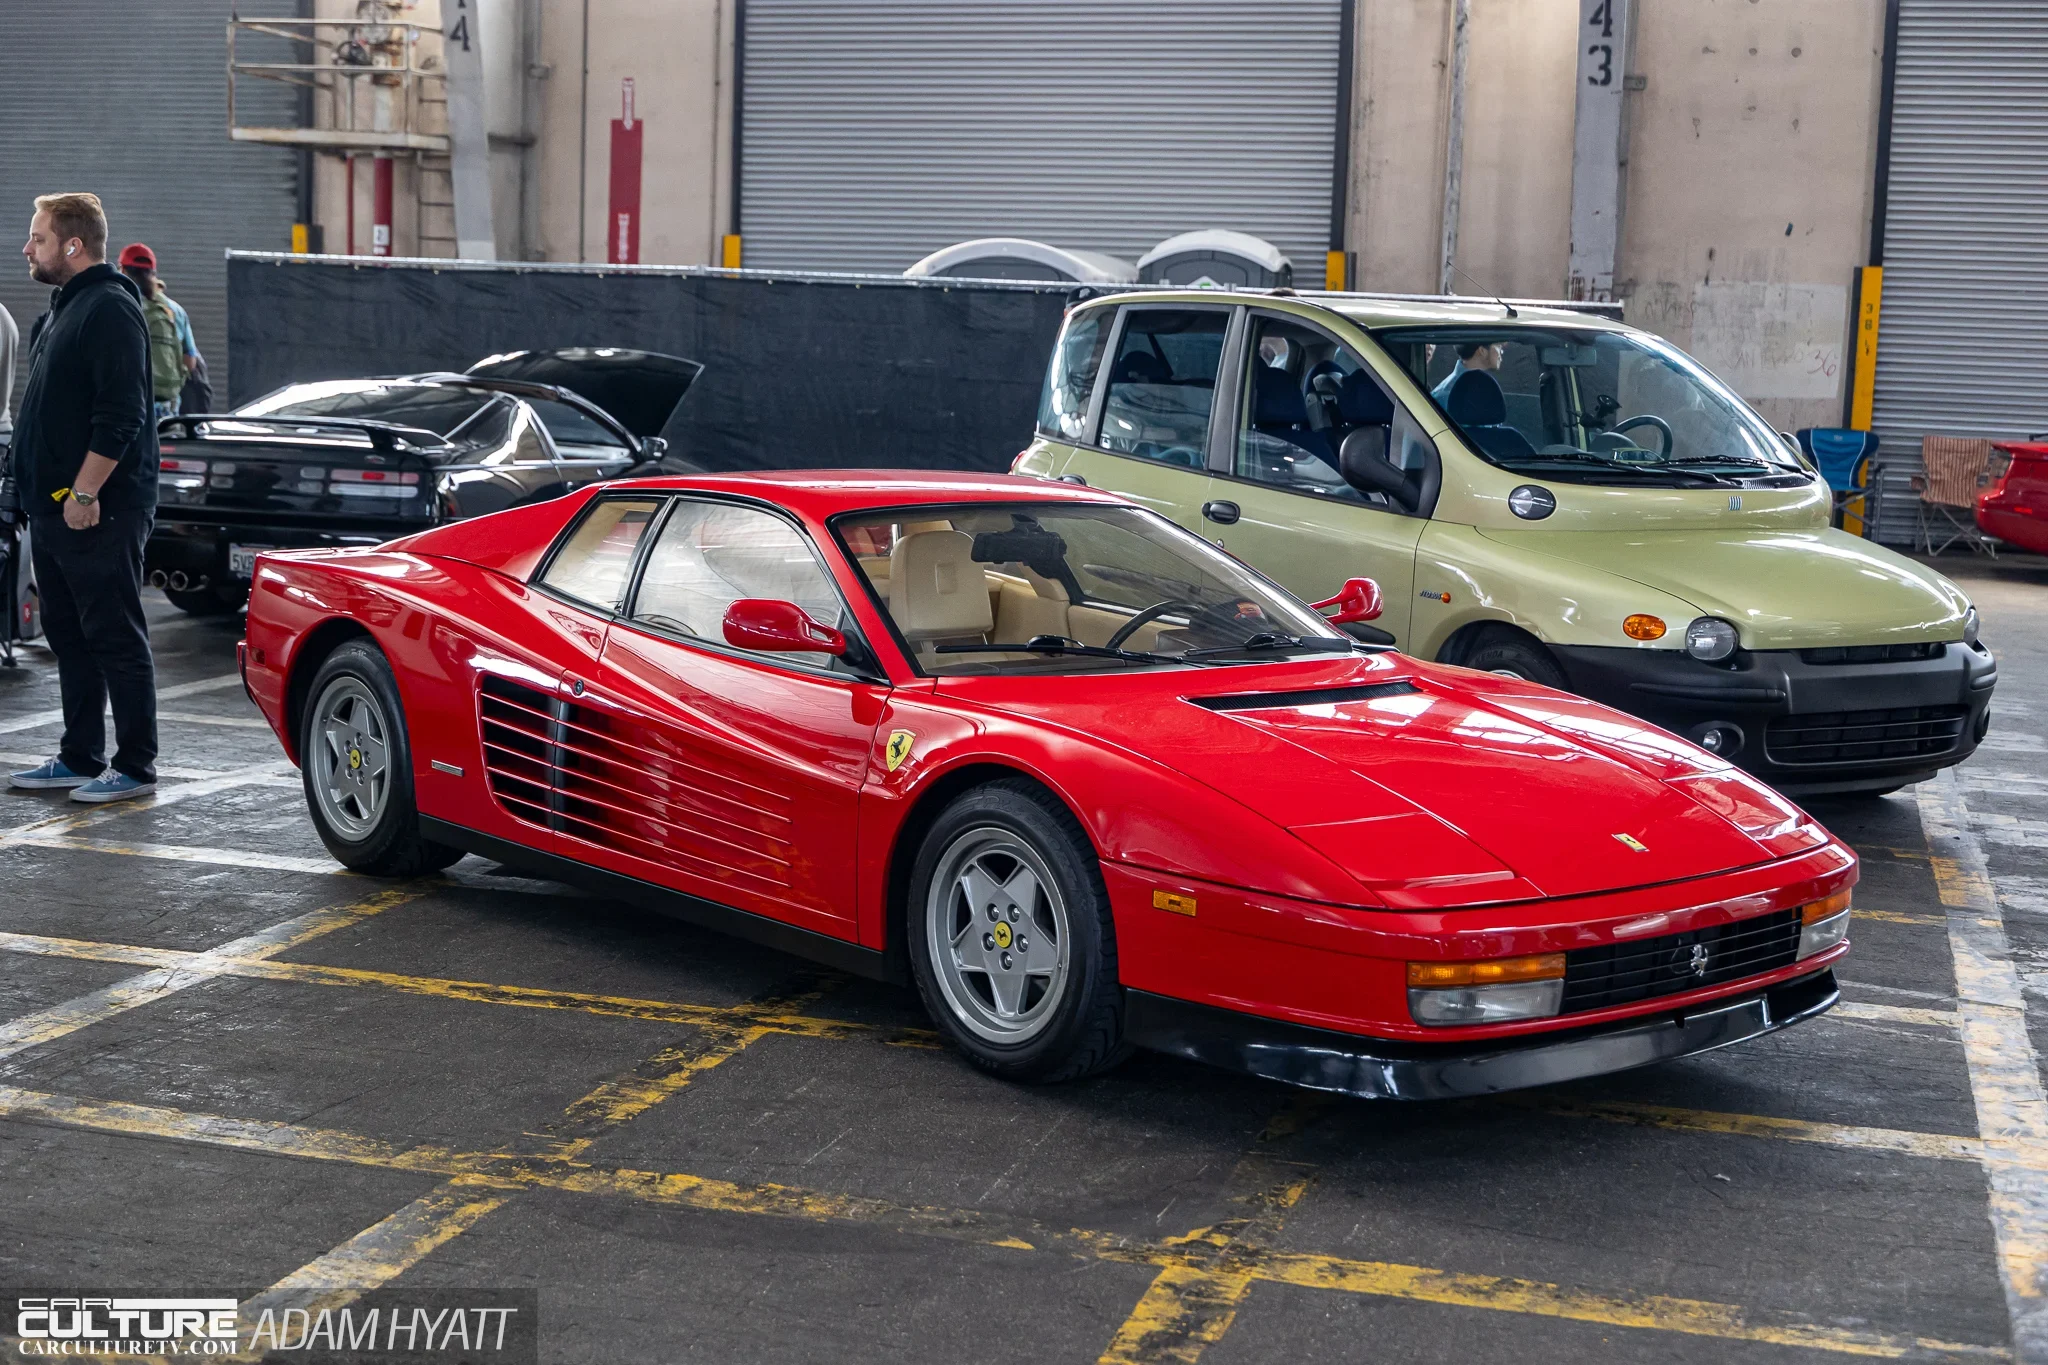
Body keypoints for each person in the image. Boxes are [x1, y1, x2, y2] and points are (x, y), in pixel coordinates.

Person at [8, 192, 158, 803]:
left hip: (98, 509)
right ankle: (79, 756)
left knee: (114, 636)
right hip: (54, 508)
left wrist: (85, 491)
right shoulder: (63, 308)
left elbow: (121, 416)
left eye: (38, 239)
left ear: (73, 245)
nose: (27, 249)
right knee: (68, 635)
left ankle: (136, 766)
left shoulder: (110, 310)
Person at [117, 243, 182, 421]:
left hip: (127, 406)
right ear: (153, 273)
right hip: (166, 409)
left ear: (122, 270)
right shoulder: (173, 310)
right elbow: (189, 360)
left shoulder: (116, 304)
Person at [1430, 341, 1501, 405]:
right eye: (1498, 346)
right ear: (1482, 351)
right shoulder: (1445, 395)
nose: (1501, 352)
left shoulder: (1482, 386)